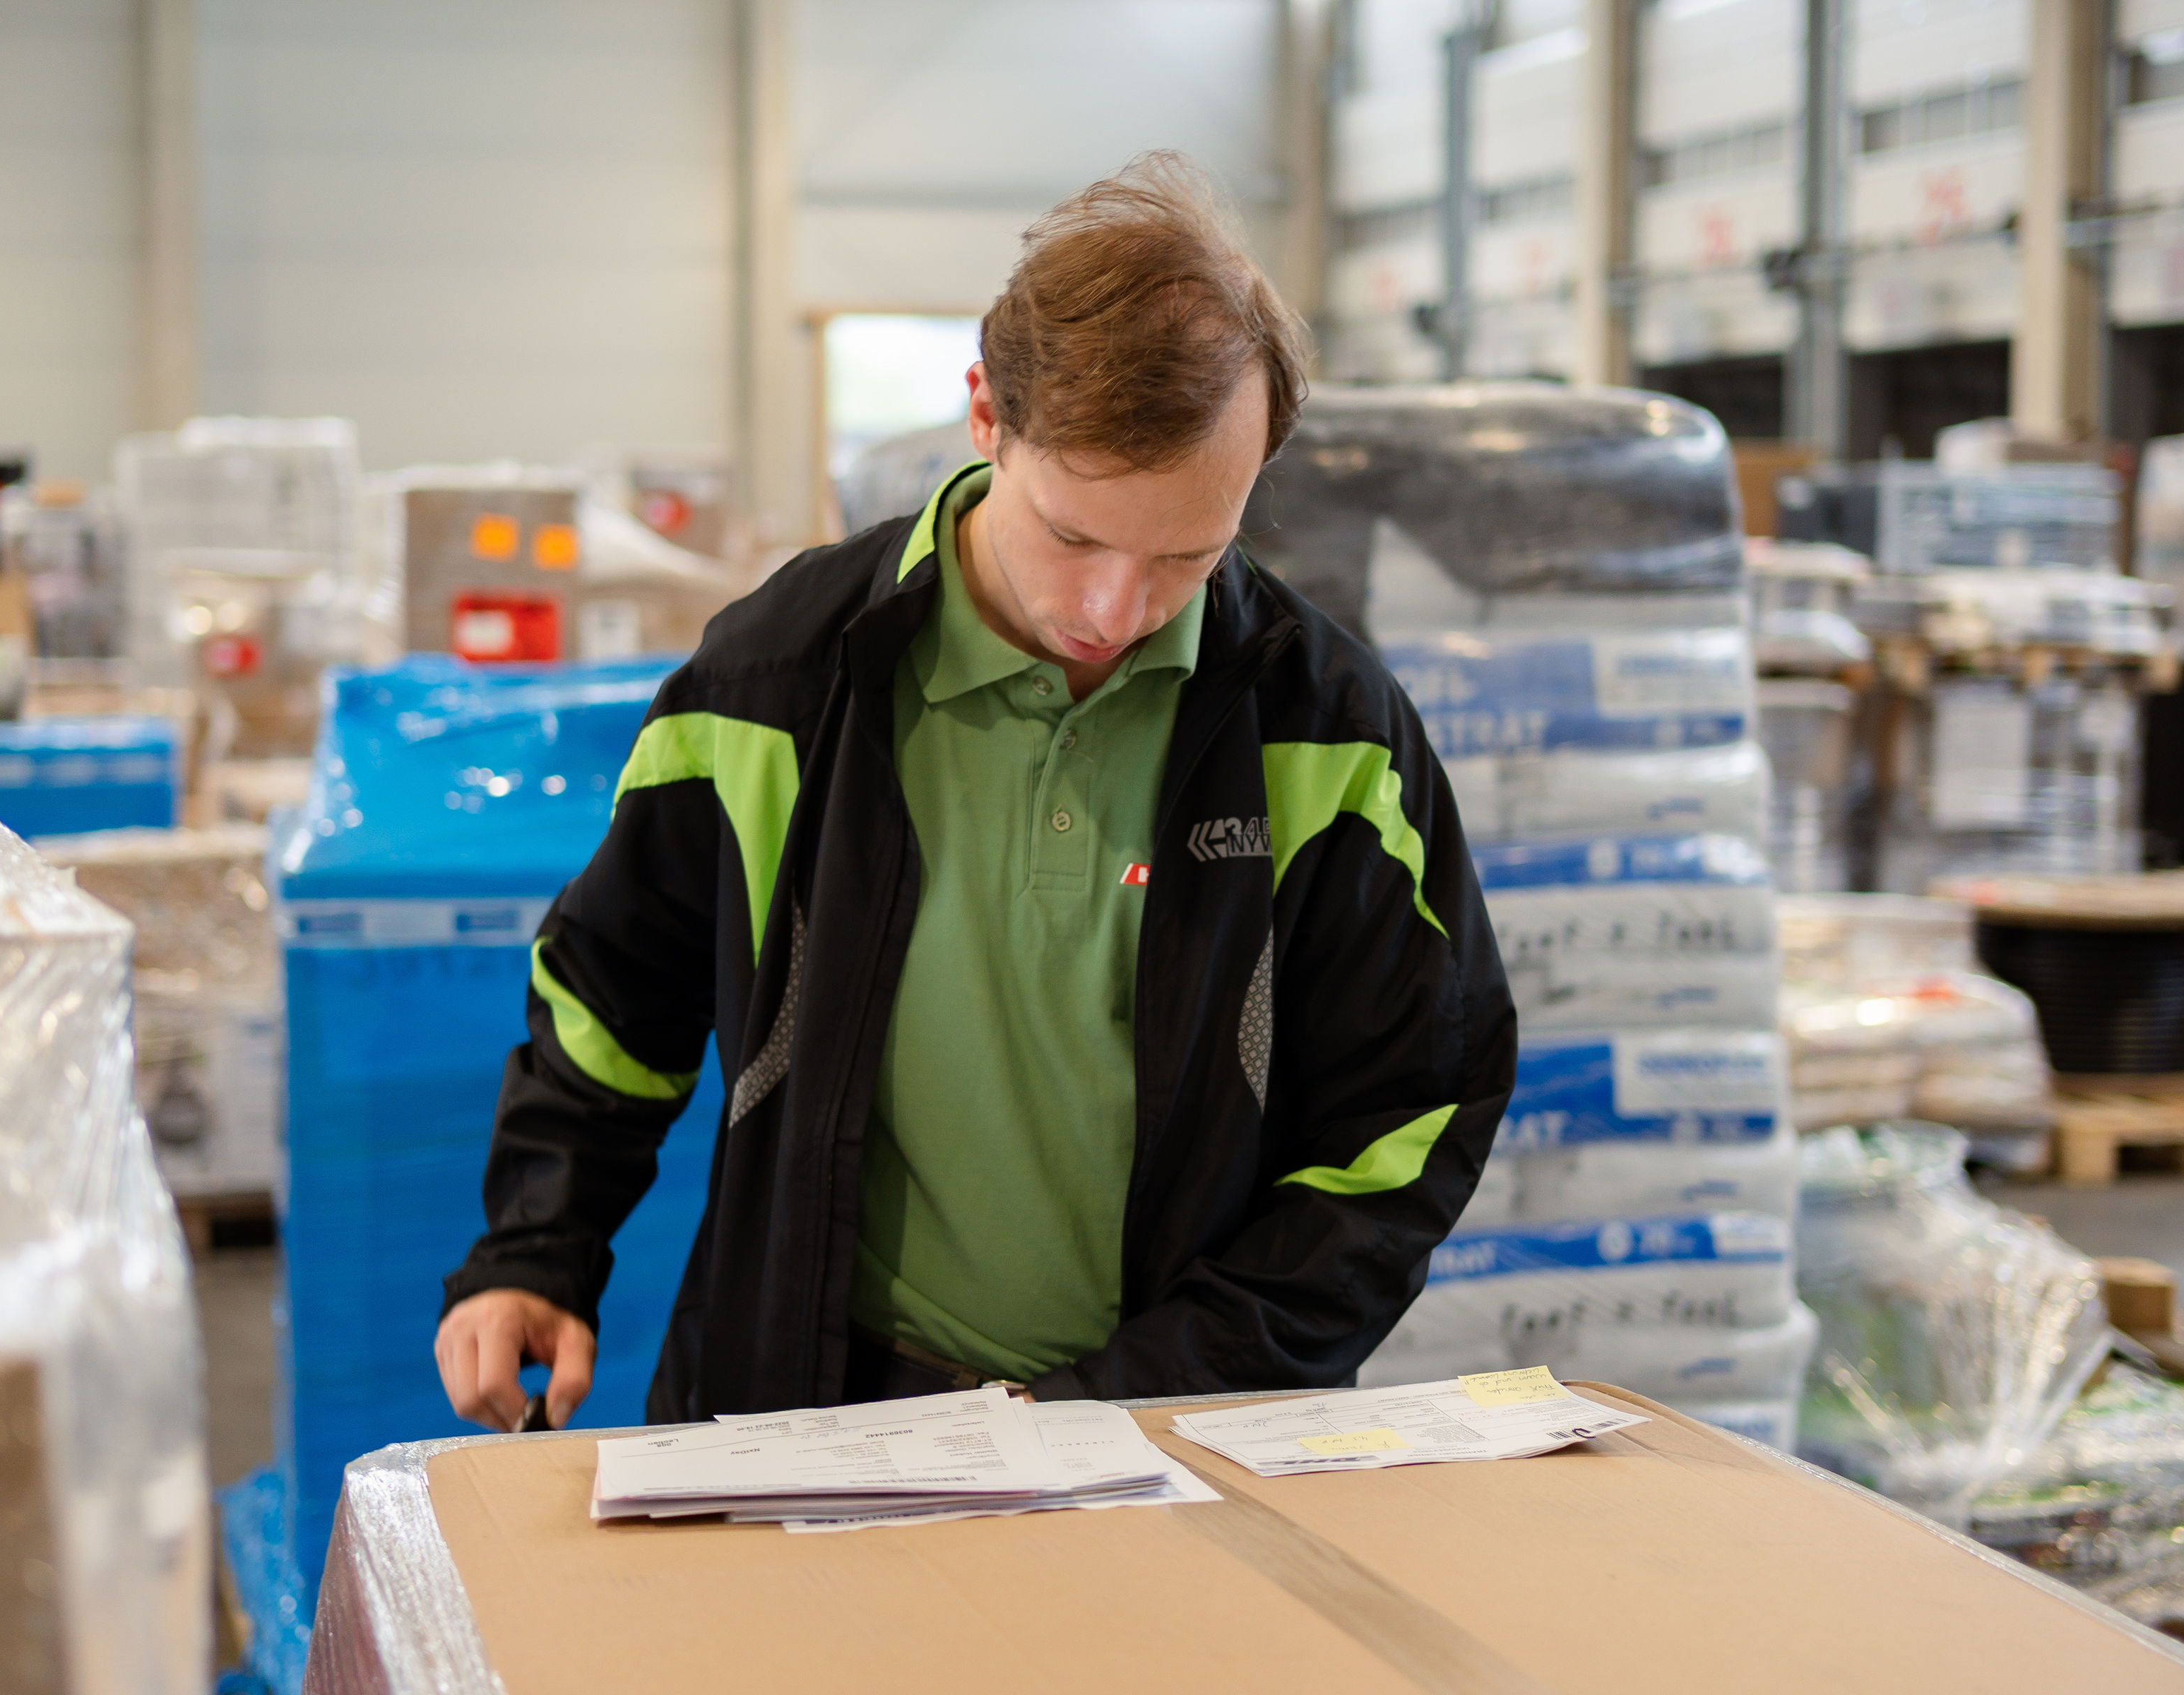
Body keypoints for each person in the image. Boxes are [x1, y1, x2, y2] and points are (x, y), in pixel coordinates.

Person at [434, 153, 1517, 1430]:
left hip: (1174, 1435)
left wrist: (1155, 1390)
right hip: (805, 1407)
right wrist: (537, 1249)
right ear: (986, 418)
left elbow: (1410, 1114)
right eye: (1072, 537)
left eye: (1187, 555)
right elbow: (618, 991)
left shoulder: (1331, 742)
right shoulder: (781, 681)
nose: (1114, 612)